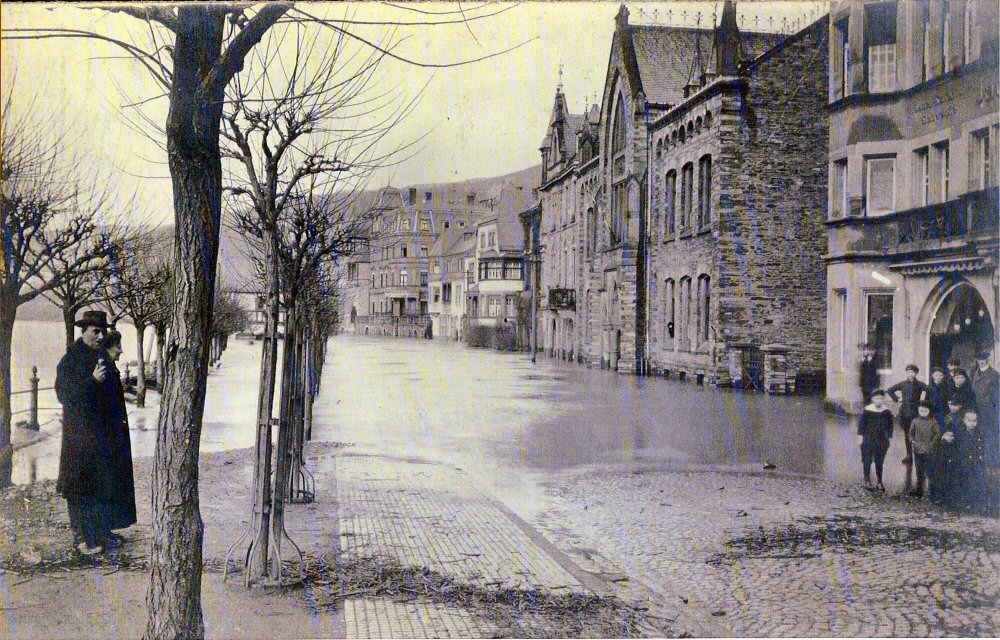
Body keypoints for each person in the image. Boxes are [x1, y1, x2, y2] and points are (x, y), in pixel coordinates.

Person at [55, 310, 112, 555]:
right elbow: (64, 395)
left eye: (102, 331)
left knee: (95, 484)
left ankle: (97, 534)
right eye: (95, 331)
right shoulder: (71, 359)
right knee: (77, 486)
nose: (100, 336)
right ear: (84, 331)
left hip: (96, 434)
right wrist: (92, 381)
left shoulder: (99, 356)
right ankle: (81, 540)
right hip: (77, 435)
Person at [96, 330, 137, 546]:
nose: (121, 350)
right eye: (118, 346)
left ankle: (107, 528)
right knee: (108, 481)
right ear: (109, 346)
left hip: (113, 434)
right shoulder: (104, 368)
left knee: (113, 481)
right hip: (108, 437)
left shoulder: (109, 367)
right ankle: (103, 530)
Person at [887, 364, 929, 464]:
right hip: (905, 413)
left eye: (912, 372)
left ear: (916, 373)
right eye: (908, 372)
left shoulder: (920, 384)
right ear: (906, 373)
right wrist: (897, 399)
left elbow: (929, 390)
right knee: (907, 435)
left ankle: (920, 454)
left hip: (916, 414)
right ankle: (909, 455)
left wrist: (924, 403)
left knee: (918, 434)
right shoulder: (903, 384)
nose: (910, 374)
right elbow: (890, 390)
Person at [858, 389, 894, 492]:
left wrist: (889, 436)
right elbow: (861, 425)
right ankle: (867, 480)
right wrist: (860, 437)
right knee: (867, 459)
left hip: (881, 439)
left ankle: (879, 481)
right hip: (868, 438)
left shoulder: (886, 411)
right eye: (877, 398)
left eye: (881, 398)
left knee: (879, 460)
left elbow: (890, 425)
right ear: (873, 399)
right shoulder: (868, 410)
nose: (879, 400)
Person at [933, 397, 964, 505]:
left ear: (959, 406)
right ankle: (943, 497)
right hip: (946, 445)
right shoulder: (947, 416)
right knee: (944, 473)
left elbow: (961, 432)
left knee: (954, 474)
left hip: (956, 445)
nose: (952, 407)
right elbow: (944, 428)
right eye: (950, 404)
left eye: (955, 405)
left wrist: (954, 438)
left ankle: (954, 497)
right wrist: (944, 437)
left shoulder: (961, 418)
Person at [971, 351, 999, 471]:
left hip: (990, 411)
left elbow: (996, 396)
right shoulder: (975, 373)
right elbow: (973, 392)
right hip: (977, 410)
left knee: (990, 437)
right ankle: (982, 463)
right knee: (979, 436)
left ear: (987, 360)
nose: (981, 362)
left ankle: (993, 464)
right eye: (979, 360)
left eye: (983, 360)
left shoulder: (994, 375)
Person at [954, 409, 986, 512]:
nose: (972, 423)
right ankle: (967, 503)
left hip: (977, 462)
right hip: (965, 462)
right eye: (969, 420)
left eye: (974, 421)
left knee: (978, 482)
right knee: (966, 482)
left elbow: (981, 448)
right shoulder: (961, 434)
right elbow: (958, 449)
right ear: (964, 421)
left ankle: (979, 503)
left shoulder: (979, 434)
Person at [908, 401, 939, 498]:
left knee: (930, 470)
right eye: (921, 410)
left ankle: (932, 490)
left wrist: (932, 443)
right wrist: (913, 441)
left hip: (929, 450)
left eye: (925, 411)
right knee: (919, 469)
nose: (923, 413)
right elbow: (910, 433)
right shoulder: (915, 421)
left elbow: (937, 434)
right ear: (918, 410)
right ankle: (919, 488)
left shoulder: (933, 421)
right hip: (918, 450)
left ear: (929, 411)